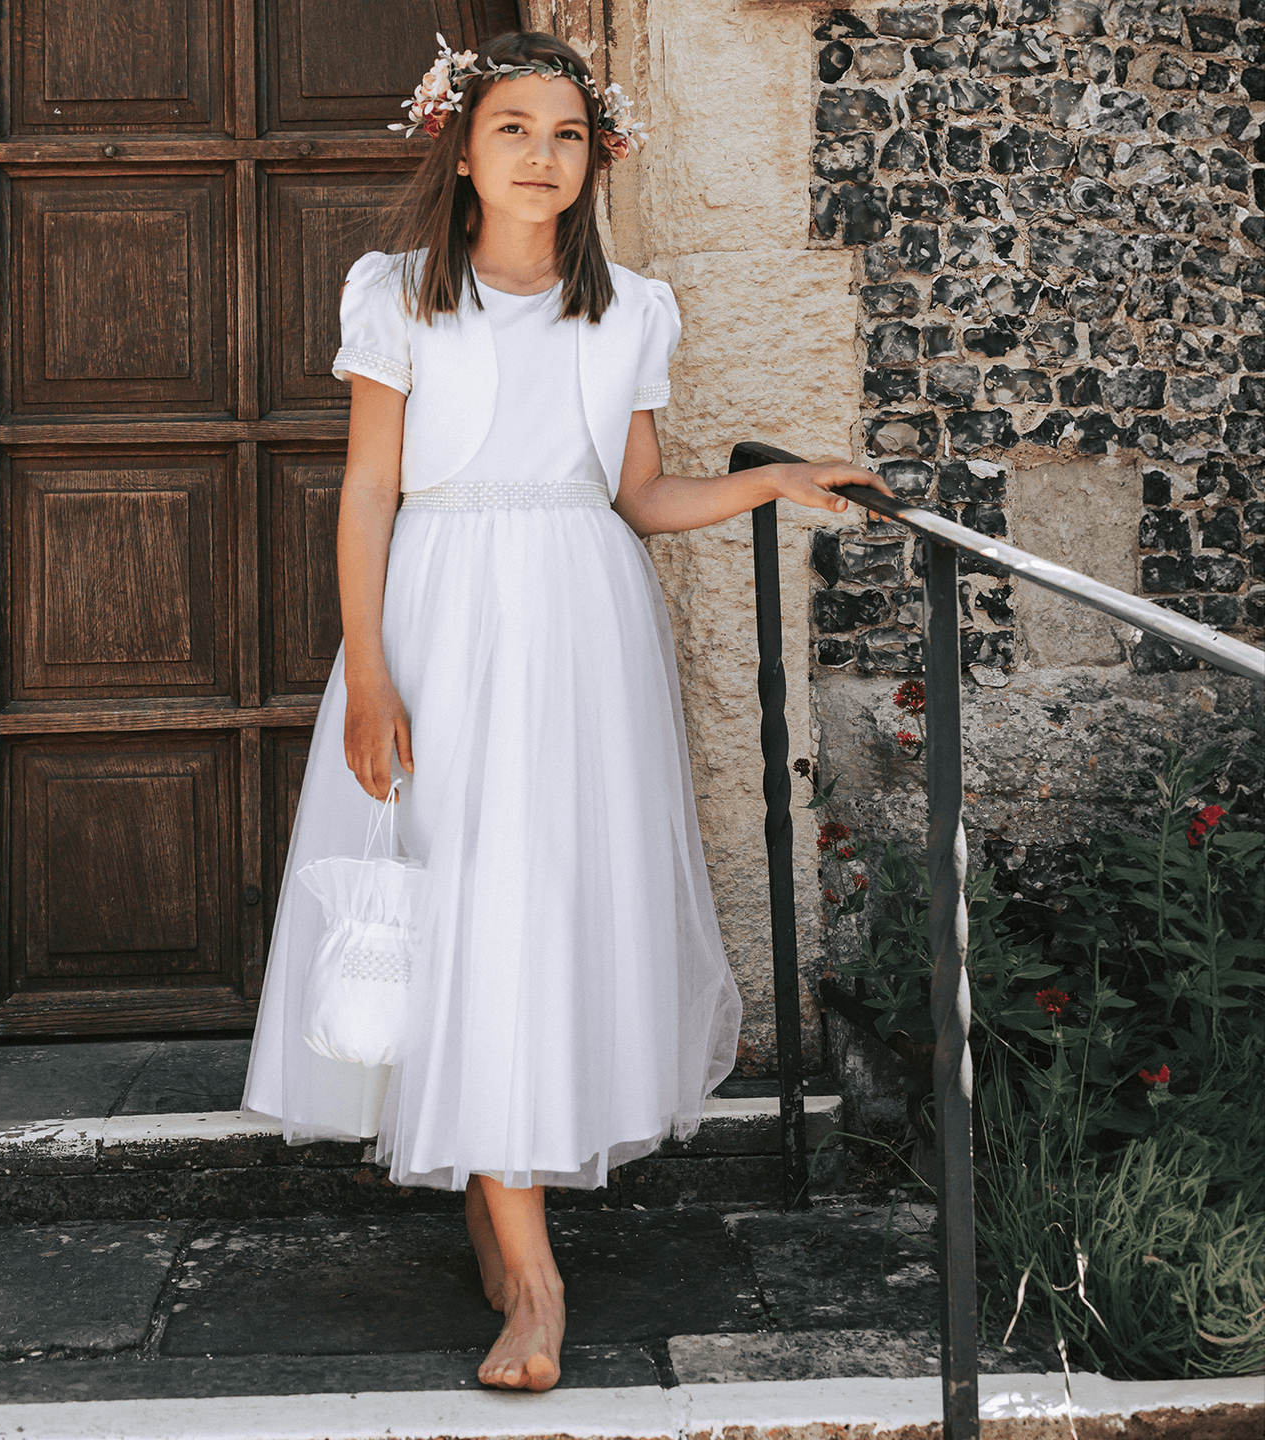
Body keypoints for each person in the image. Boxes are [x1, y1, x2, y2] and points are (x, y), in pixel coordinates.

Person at [242, 29, 892, 1395]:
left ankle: (511, 1219)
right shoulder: (401, 298)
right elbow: (369, 491)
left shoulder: (632, 308)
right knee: (464, 896)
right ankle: (531, 1277)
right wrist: (369, 668)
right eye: (512, 131)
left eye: (565, 134)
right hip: (442, 617)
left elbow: (639, 496)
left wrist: (773, 485)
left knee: (542, 909)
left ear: (599, 156)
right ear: (461, 152)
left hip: (582, 627)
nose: (542, 157)